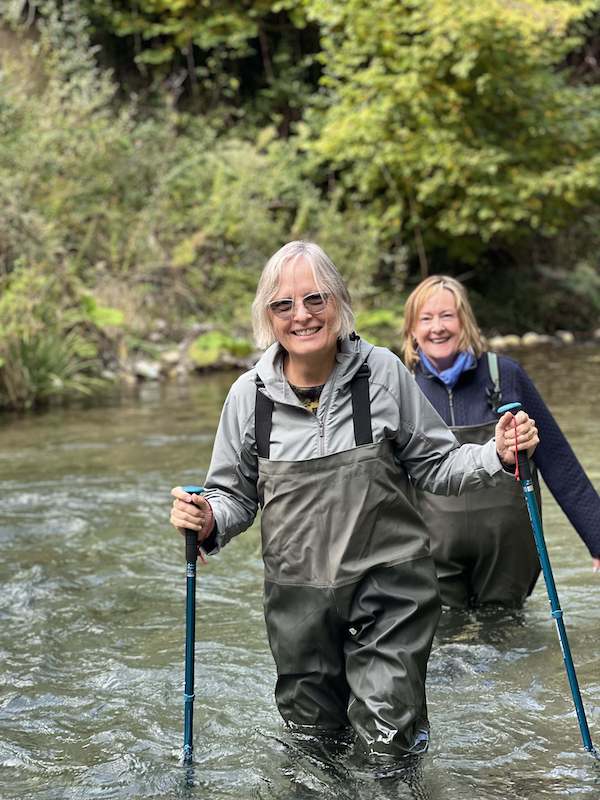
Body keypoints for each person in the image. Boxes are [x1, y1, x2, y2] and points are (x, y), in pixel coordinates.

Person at [170, 242, 538, 759]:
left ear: (339, 302)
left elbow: (437, 465)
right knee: (313, 752)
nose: (302, 315)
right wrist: (206, 517)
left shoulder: (383, 373)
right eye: (283, 305)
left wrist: (495, 454)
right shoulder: (248, 397)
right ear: (268, 317)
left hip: (392, 595)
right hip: (298, 607)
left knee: (390, 747)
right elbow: (233, 495)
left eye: (315, 299)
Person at [402, 275, 600, 610]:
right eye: (426, 318)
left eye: (448, 316)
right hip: (434, 557)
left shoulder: (505, 374)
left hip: (508, 556)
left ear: (466, 321)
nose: (437, 327)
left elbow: (557, 459)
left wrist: (596, 537)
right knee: (446, 636)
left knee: (507, 633)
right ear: (412, 329)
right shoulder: (401, 386)